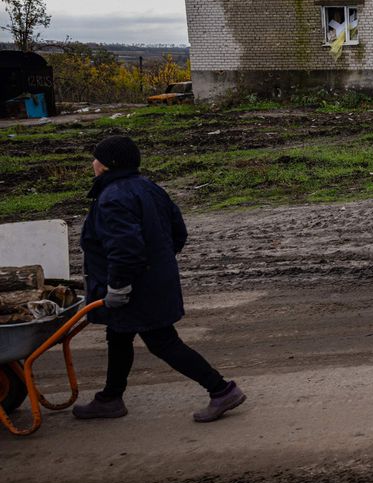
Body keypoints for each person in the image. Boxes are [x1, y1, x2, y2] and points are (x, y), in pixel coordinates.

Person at [72, 135, 246, 422]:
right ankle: (111, 398)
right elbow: (178, 232)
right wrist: (159, 263)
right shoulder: (149, 188)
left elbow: (125, 249)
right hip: (151, 281)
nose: (93, 163)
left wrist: (118, 285)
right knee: (118, 335)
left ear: (106, 166)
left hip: (134, 288)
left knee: (162, 342)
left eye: (96, 158)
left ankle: (221, 389)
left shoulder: (113, 198)